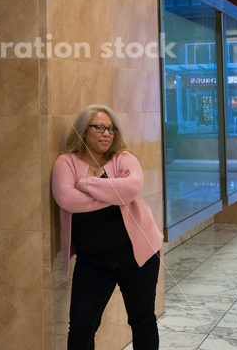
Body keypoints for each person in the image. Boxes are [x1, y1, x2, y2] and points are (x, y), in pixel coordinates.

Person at [51, 104, 163, 350]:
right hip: (93, 260)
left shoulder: (123, 158)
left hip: (137, 254)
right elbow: (67, 199)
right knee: (81, 326)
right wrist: (112, 192)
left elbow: (131, 189)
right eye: (99, 127)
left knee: (142, 320)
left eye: (111, 129)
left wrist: (86, 184)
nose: (106, 134)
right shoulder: (66, 162)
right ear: (83, 130)